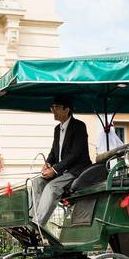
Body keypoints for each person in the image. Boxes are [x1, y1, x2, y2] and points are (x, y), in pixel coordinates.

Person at [30, 95, 92, 227]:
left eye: (56, 107)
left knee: (52, 188)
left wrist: (54, 169)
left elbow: (75, 154)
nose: (53, 111)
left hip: (77, 171)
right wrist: (47, 164)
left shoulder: (79, 126)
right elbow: (53, 151)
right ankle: (31, 220)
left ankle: (37, 225)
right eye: (52, 108)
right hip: (61, 172)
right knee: (36, 182)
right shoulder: (57, 129)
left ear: (67, 109)